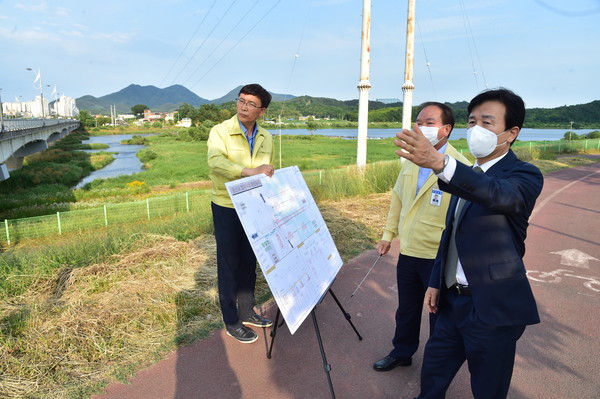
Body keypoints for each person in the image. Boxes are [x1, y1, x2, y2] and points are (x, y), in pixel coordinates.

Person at [394, 88, 543, 398]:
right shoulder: (465, 175)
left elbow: (497, 194)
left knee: (488, 390)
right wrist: (436, 281)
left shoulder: (524, 175)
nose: (477, 129)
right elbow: (449, 233)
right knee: (432, 379)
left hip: (491, 309)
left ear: (511, 133)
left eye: (487, 123)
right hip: (452, 303)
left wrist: (441, 163)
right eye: (472, 121)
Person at [373, 102, 471, 372]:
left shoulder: (460, 167)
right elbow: (398, 198)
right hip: (409, 250)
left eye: (429, 123)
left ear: (445, 130)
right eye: (418, 122)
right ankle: (402, 351)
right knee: (406, 309)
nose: (420, 127)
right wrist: (388, 234)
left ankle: (437, 364)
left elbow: (463, 217)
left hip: (437, 256)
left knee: (437, 313)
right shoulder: (411, 160)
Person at [207, 83, 275, 344]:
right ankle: (232, 320)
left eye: (251, 104)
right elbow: (216, 163)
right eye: (241, 101)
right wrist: (248, 171)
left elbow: (266, 168)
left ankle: (247, 311)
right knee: (229, 263)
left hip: (254, 203)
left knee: (250, 260)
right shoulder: (220, 131)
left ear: (262, 111)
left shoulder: (266, 137)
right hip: (226, 205)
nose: (244, 107)